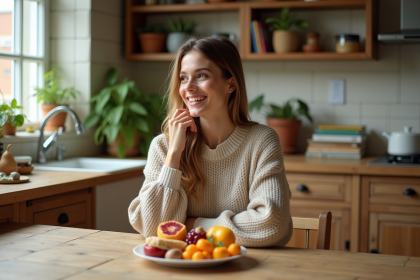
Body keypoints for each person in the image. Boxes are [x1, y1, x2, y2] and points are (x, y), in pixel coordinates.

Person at [128, 37, 293, 247]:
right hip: (182, 267)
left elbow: (272, 224)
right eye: (183, 78)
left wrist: (193, 226)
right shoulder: (163, 146)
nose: (189, 87)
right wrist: (174, 155)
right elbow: (152, 227)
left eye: (202, 75)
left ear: (230, 84)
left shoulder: (261, 141)